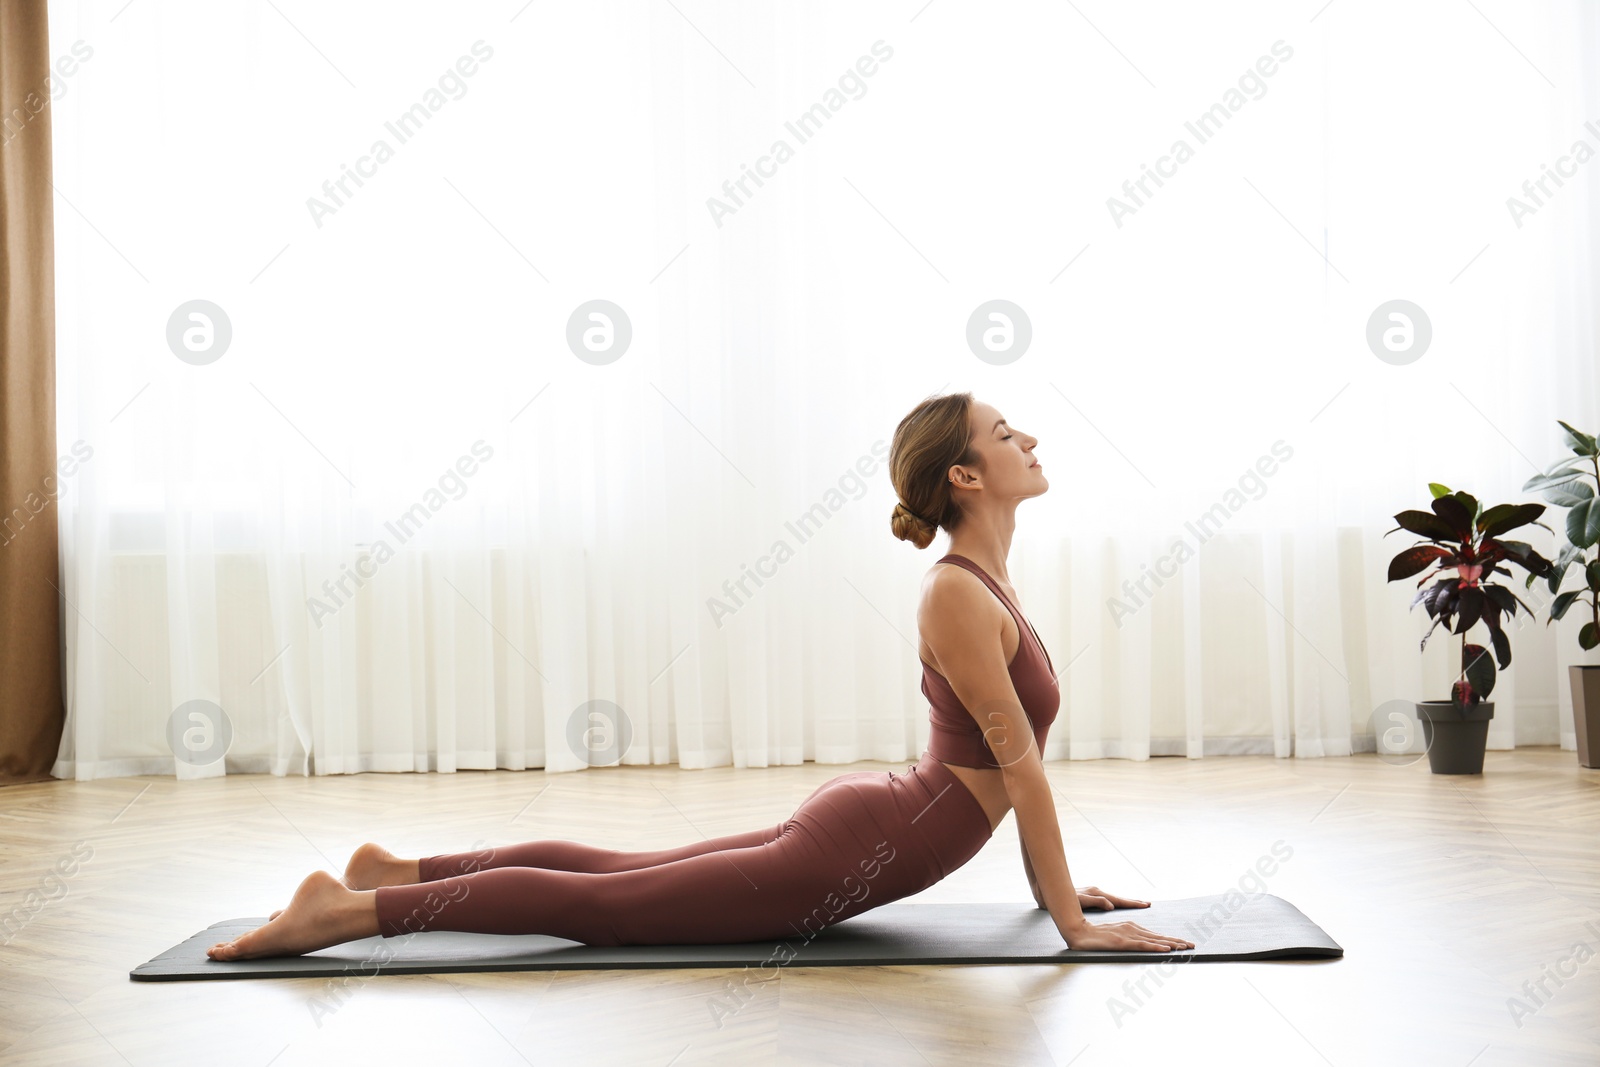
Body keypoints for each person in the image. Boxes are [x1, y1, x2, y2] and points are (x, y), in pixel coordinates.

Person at [207, 392, 1194, 960]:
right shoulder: (958, 594)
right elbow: (1016, 771)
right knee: (608, 911)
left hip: (881, 821)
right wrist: (1065, 921)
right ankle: (344, 911)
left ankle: (393, 870)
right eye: (1008, 431)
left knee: (622, 873)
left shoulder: (985, 579)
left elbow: (1008, 767)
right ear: (967, 477)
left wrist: (1061, 896)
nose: (1031, 439)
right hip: (867, 837)